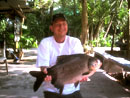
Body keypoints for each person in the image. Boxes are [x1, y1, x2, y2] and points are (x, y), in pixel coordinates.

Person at [36, 13, 88, 98]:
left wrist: (82, 75)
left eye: (64, 24)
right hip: (52, 90)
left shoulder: (75, 42)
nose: (61, 27)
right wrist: (44, 72)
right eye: (57, 24)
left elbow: (79, 63)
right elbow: (43, 65)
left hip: (73, 90)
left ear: (67, 26)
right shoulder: (45, 43)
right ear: (51, 28)